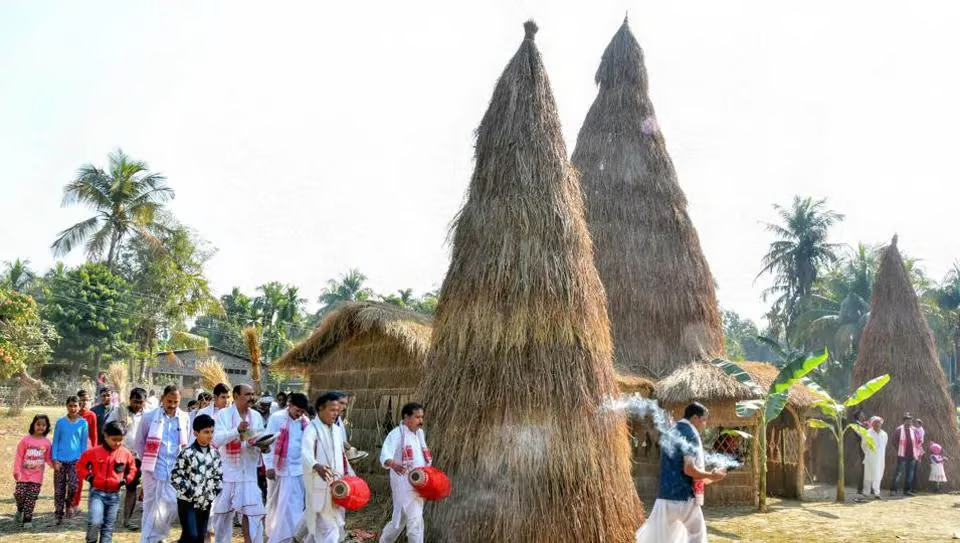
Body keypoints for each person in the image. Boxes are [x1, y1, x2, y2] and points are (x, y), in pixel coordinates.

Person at [635, 402, 726, 543]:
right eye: (703, 420)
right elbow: (689, 469)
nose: (704, 424)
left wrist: (707, 477)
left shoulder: (671, 431)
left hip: (665, 497)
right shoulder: (690, 434)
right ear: (695, 418)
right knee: (697, 535)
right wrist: (712, 475)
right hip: (683, 497)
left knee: (663, 539)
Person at [211, 383, 269, 543]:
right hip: (228, 475)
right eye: (247, 394)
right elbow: (217, 440)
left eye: (252, 394)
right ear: (236, 396)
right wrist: (236, 431)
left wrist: (263, 446)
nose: (251, 397)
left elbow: (258, 438)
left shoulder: (256, 416)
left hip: (249, 475)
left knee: (253, 516)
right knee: (222, 517)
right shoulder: (223, 415)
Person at [135, 384, 191, 543]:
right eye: (169, 401)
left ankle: (158, 536)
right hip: (153, 471)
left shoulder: (184, 417)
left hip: (175, 470)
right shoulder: (149, 417)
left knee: (171, 505)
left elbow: (185, 442)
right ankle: (148, 539)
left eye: (176, 402)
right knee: (150, 508)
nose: (172, 405)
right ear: (162, 399)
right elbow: (140, 442)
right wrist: (149, 460)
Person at [302, 392, 355, 543]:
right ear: (320, 408)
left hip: (337, 485)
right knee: (331, 530)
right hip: (318, 485)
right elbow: (305, 452)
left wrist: (350, 475)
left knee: (319, 530)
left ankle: (297, 538)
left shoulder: (337, 430)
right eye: (332, 410)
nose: (336, 414)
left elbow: (343, 457)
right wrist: (316, 465)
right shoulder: (311, 429)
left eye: (338, 410)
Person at [78, 421, 138, 543]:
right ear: (105, 436)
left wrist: (126, 480)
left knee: (108, 527)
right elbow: (81, 465)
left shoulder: (125, 453)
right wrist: (89, 478)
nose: (117, 443)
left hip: (115, 495)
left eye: (120, 440)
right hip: (97, 493)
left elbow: (132, 469)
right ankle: (91, 540)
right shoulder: (93, 452)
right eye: (114, 439)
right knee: (95, 521)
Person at [379, 402, 431, 543]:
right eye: (417, 417)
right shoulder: (396, 434)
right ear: (406, 417)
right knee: (415, 521)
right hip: (403, 484)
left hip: (419, 483)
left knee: (399, 520)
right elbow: (385, 454)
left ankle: (384, 541)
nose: (421, 421)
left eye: (422, 417)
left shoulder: (420, 434)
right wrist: (393, 464)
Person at [263, 392, 309, 543]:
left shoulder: (304, 422)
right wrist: (269, 466)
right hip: (277, 469)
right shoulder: (276, 418)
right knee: (274, 504)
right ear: (290, 406)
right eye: (297, 411)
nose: (300, 414)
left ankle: (287, 538)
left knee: (292, 507)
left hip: (297, 471)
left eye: (302, 412)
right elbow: (266, 443)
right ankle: (272, 534)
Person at [171, 414, 223, 543]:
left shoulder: (215, 454)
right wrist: (190, 492)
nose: (210, 435)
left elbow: (219, 476)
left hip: (205, 503)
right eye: (206, 432)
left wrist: (213, 493)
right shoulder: (187, 453)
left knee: (199, 537)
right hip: (187, 502)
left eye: (211, 432)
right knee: (192, 536)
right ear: (195, 433)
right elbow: (176, 476)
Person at [106, 387, 147, 529]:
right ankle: (110, 516)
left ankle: (127, 520)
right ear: (130, 399)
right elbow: (107, 427)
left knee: (132, 487)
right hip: (119, 455)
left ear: (144, 402)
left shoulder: (147, 415)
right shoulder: (120, 411)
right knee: (115, 485)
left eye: (140, 402)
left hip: (137, 457)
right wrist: (120, 426)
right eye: (135, 401)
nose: (137, 405)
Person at [53, 395, 90, 524]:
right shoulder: (60, 422)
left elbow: (84, 444)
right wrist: (55, 459)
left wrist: (83, 460)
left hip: (76, 460)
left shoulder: (83, 423)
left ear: (79, 407)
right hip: (60, 460)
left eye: (75, 406)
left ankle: (69, 504)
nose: (73, 408)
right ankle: (58, 513)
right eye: (70, 405)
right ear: (66, 406)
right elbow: (55, 442)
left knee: (74, 486)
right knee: (59, 488)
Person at [13, 413, 54, 528]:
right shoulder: (25, 440)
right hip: (23, 475)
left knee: (31, 497)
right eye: (38, 424)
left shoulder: (47, 442)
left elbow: (48, 458)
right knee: (19, 494)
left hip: (37, 476)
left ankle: (27, 519)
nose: (40, 427)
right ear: (33, 425)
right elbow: (19, 456)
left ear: (47, 427)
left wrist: (54, 465)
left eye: (43, 425)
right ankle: (20, 509)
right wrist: (17, 471)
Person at [891, 414, 922, 496]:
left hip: (912, 456)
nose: (909, 422)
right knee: (899, 472)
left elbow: (918, 442)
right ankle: (893, 490)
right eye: (907, 421)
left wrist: (918, 454)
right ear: (904, 421)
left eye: (910, 421)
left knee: (910, 474)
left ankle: (907, 490)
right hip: (902, 455)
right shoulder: (899, 430)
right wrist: (900, 449)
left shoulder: (915, 431)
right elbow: (894, 441)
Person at [861, 416, 888, 499]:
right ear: (872, 423)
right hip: (870, 457)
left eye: (879, 422)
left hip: (880, 458)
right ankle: (866, 492)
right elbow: (863, 445)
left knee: (878, 474)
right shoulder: (867, 433)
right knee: (868, 475)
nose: (877, 424)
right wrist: (868, 453)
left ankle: (877, 493)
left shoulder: (884, 434)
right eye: (875, 422)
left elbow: (885, 445)